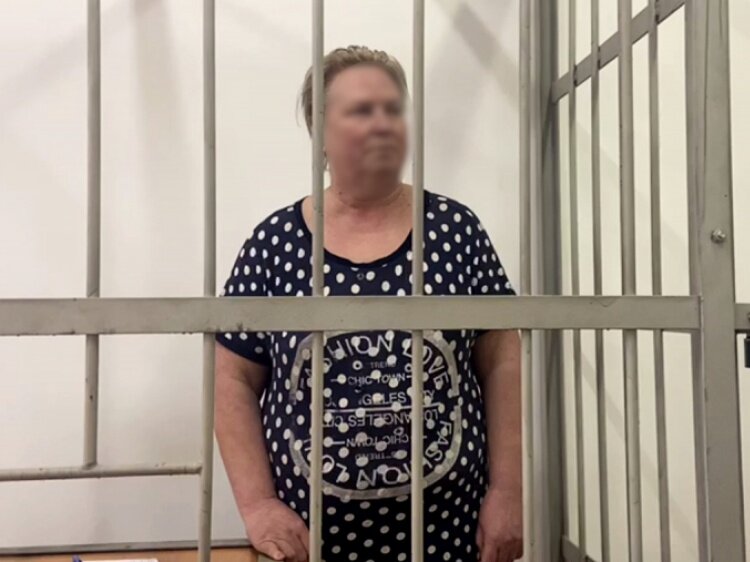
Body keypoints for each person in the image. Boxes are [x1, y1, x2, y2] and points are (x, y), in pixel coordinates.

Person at [214, 45, 523, 562]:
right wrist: (258, 505)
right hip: (309, 542)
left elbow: (502, 361)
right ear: (320, 132)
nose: (382, 123)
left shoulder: (456, 231)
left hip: (450, 533)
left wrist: (509, 490)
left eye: (393, 109)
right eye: (361, 110)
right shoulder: (275, 244)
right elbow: (231, 378)